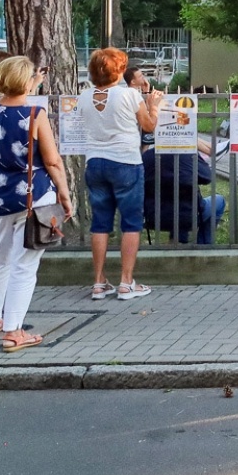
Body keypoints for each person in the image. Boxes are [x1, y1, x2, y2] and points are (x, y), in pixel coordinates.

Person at [0, 56, 74, 352]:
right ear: (26, 83)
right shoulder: (35, 113)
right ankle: (14, 331)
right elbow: (52, 161)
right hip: (32, 198)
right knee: (24, 265)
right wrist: (64, 194)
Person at [77, 47, 161, 300]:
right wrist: (154, 106)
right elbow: (148, 126)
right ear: (120, 70)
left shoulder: (84, 96)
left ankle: (99, 282)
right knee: (131, 222)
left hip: (95, 162)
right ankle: (126, 282)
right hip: (125, 161)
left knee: (100, 223)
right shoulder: (128, 95)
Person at [131, 69, 225, 244]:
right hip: (190, 215)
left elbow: (138, 179)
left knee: (177, 204)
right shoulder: (190, 157)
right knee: (218, 201)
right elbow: (207, 177)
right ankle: (204, 246)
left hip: (153, 216)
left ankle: (178, 241)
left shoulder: (148, 158)